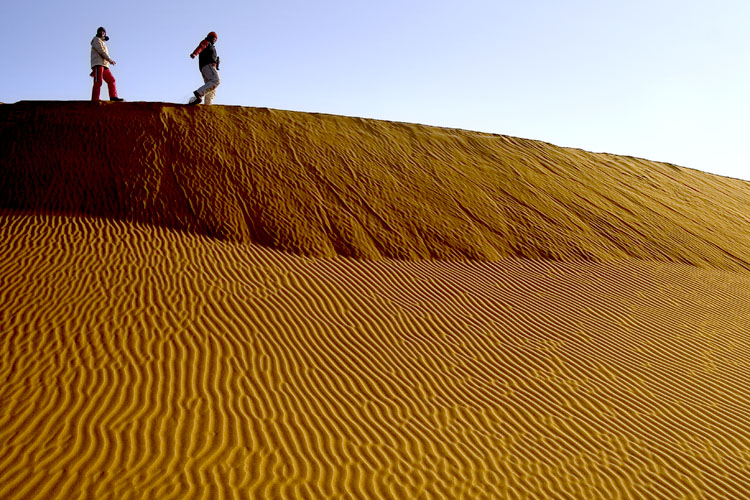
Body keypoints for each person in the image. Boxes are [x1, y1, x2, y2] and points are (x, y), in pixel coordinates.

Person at [90, 27, 123, 102]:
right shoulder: (96, 39)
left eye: (103, 32)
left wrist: (108, 61)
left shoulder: (102, 41)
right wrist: (110, 60)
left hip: (104, 65)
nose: (102, 33)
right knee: (98, 82)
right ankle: (95, 99)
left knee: (111, 80)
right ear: (98, 33)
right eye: (101, 32)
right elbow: (101, 51)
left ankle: (113, 97)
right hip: (98, 64)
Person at [188, 31, 220, 105]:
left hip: (207, 67)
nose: (214, 39)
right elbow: (201, 47)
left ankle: (207, 105)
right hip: (208, 65)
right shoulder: (206, 42)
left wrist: (217, 64)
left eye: (216, 39)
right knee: (216, 81)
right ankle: (198, 93)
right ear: (210, 37)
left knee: (211, 88)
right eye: (213, 38)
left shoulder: (211, 46)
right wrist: (195, 53)